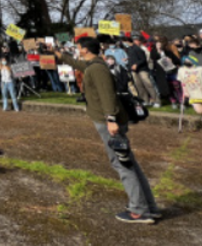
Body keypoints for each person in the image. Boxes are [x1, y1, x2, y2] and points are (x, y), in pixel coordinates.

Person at [56, 37, 160, 224]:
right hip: (107, 119)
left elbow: (107, 95)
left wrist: (111, 119)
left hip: (108, 122)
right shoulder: (94, 65)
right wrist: (59, 55)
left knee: (122, 163)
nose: (78, 51)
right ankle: (148, 206)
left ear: (85, 50)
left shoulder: (96, 69)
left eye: (79, 48)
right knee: (129, 162)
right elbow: (79, 64)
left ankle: (139, 210)